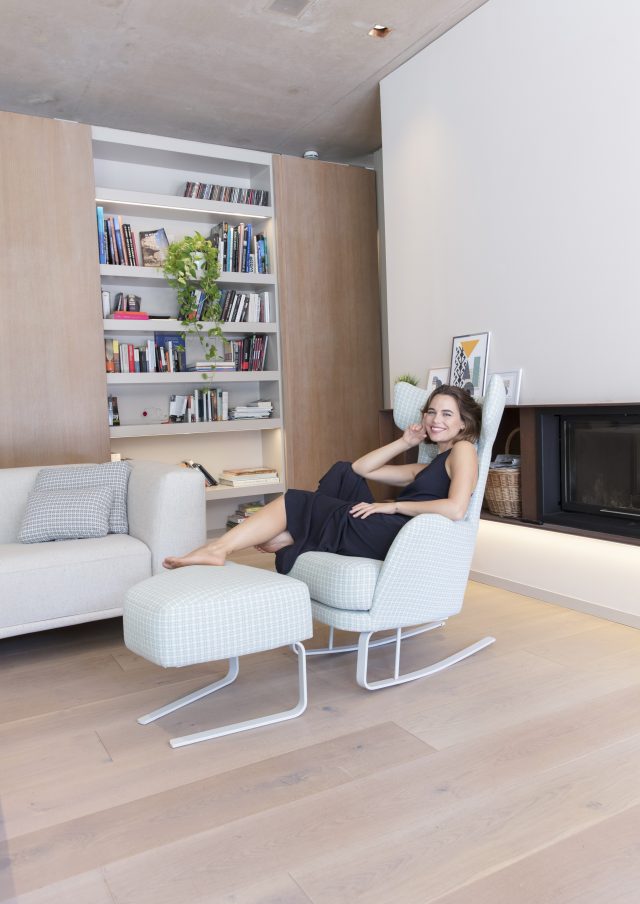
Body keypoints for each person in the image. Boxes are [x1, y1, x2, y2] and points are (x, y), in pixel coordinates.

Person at [163, 385, 482, 574]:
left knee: (296, 500)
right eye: (431, 412)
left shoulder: (464, 449)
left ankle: (219, 548)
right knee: (344, 470)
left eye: (446, 414)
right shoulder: (429, 465)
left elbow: (456, 509)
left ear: (463, 423)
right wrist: (404, 442)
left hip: (400, 535)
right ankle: (296, 534)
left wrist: (393, 506)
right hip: (391, 527)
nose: (435, 419)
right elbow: (361, 468)